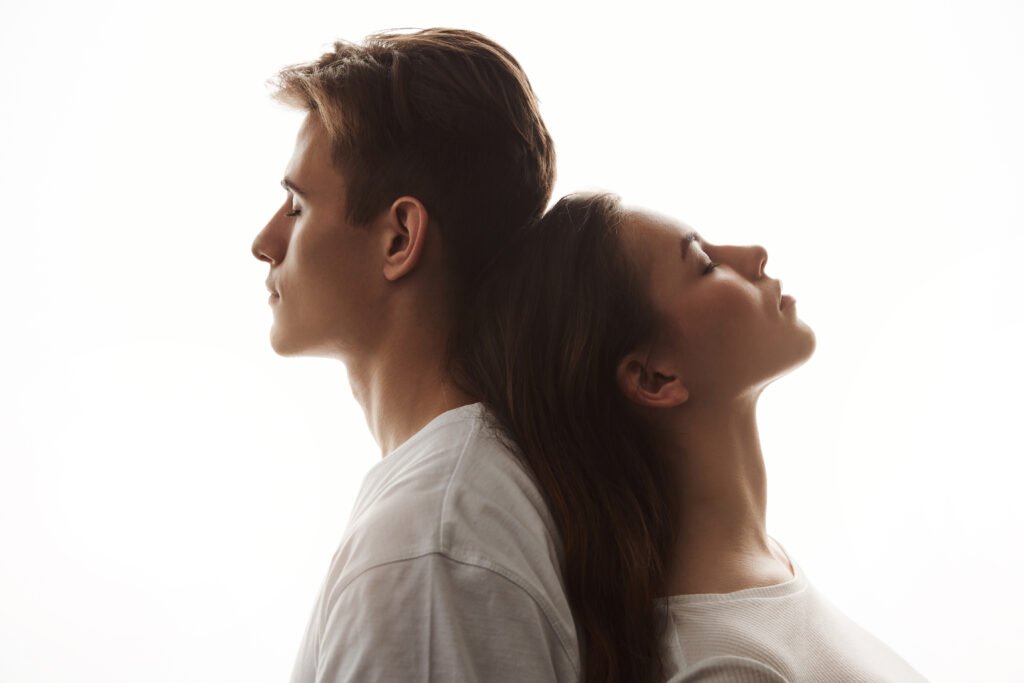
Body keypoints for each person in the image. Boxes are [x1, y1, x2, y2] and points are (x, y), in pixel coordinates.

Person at [456, 193, 928, 682]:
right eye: (705, 264)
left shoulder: (766, 573)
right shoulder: (726, 667)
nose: (755, 254)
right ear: (655, 378)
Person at [250, 29, 580, 681]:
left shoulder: (427, 545)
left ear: (399, 237)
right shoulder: (455, 502)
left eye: (297, 204)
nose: (263, 241)